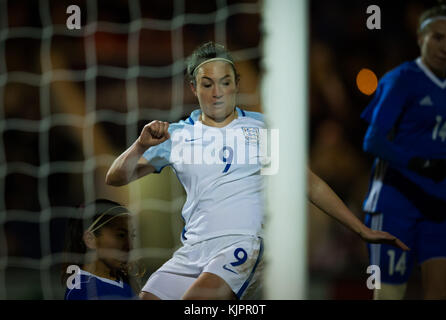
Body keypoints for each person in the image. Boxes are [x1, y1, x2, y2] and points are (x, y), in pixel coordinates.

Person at [106, 41, 408, 300]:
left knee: (195, 303)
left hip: (240, 246)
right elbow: (116, 177)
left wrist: (361, 229)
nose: (217, 92)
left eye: (225, 82)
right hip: (192, 250)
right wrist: (139, 146)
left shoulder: (259, 128)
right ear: (193, 87)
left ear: (236, 83)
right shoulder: (176, 135)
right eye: (207, 83)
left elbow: (308, 184)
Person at [360, 2, 446, 300]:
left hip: (439, 206)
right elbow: (372, 141)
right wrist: (418, 163)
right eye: (438, 37)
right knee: (389, 295)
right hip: (395, 204)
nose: (445, 47)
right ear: (420, 37)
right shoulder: (401, 79)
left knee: (440, 292)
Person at [61, 199, 139, 300]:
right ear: (90, 240)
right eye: (121, 235)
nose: (130, 246)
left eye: (132, 236)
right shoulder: (82, 291)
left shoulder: (123, 282)